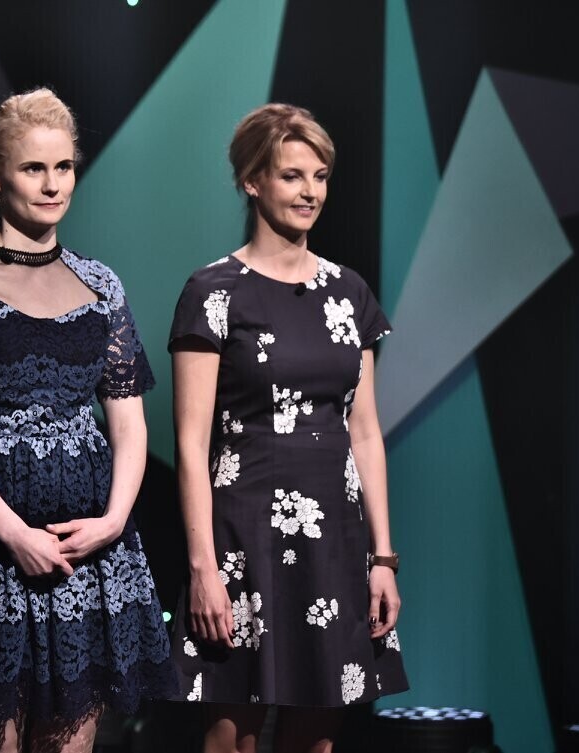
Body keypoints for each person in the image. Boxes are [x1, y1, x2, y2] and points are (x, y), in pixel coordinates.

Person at [0, 88, 176, 753]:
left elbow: (129, 424)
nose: (53, 185)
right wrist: (15, 533)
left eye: (64, 167)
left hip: (88, 546)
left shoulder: (101, 284)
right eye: (33, 168)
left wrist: (113, 520)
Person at [168, 103, 407, 752]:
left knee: (316, 740)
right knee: (232, 740)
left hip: (335, 541)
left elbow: (365, 432)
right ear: (252, 181)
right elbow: (190, 444)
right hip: (242, 537)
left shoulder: (349, 293)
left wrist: (383, 558)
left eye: (320, 176)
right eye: (292, 175)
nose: (310, 192)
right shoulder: (213, 292)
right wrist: (203, 568)